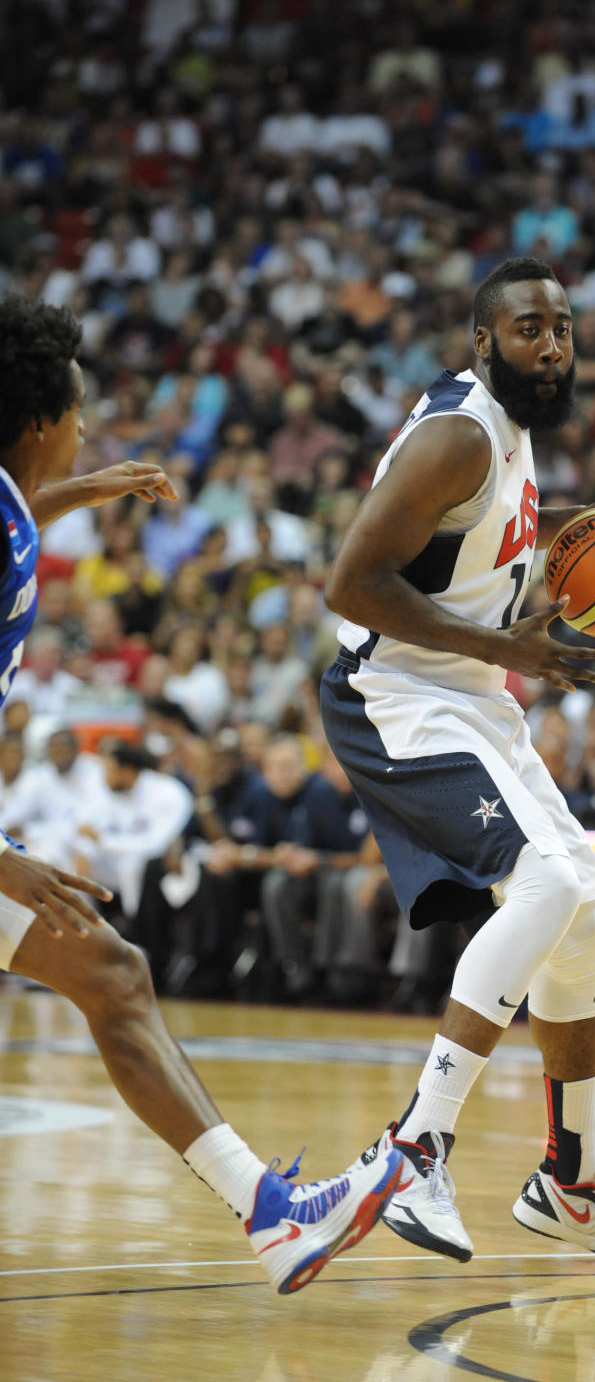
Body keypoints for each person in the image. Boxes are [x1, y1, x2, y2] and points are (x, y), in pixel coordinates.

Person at [0, 294, 401, 1292]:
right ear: (42, 422)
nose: (88, 426)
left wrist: (93, 487)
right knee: (118, 978)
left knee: (115, 978)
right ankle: (272, 1216)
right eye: (80, 415)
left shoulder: (9, 504)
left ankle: (273, 1218)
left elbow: (23, 511)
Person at [321, 256, 595, 1268]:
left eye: (562, 329)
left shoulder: (508, 434)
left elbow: (489, 550)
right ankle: (413, 1150)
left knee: (587, 913)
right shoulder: (457, 436)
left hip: (470, 698)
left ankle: (570, 1183)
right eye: (529, 329)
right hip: (394, 697)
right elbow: (350, 582)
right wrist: (506, 649)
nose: (552, 346)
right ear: (484, 341)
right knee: (551, 883)